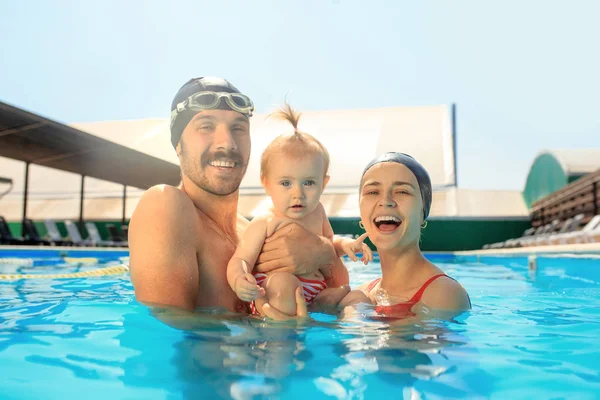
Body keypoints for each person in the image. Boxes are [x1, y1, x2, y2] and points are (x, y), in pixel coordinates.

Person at [128, 77, 349, 320]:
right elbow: (167, 332)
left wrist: (324, 251)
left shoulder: (253, 231)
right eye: (206, 126)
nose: (227, 143)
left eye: (238, 128)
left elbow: (337, 295)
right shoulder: (165, 205)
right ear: (178, 144)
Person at [227, 104, 372, 317]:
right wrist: (239, 279)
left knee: (355, 295)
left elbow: (328, 243)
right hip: (276, 291)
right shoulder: (264, 222)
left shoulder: (318, 211)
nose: (298, 194)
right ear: (266, 184)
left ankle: (349, 332)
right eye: (286, 183)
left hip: (316, 293)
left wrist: (347, 244)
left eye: (309, 183)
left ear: (324, 184)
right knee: (284, 282)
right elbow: (241, 260)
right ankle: (281, 343)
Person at [356, 152, 471, 318]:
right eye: (373, 192)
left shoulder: (443, 293)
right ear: (361, 215)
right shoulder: (361, 294)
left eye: (402, 191)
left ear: (423, 212)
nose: (386, 200)